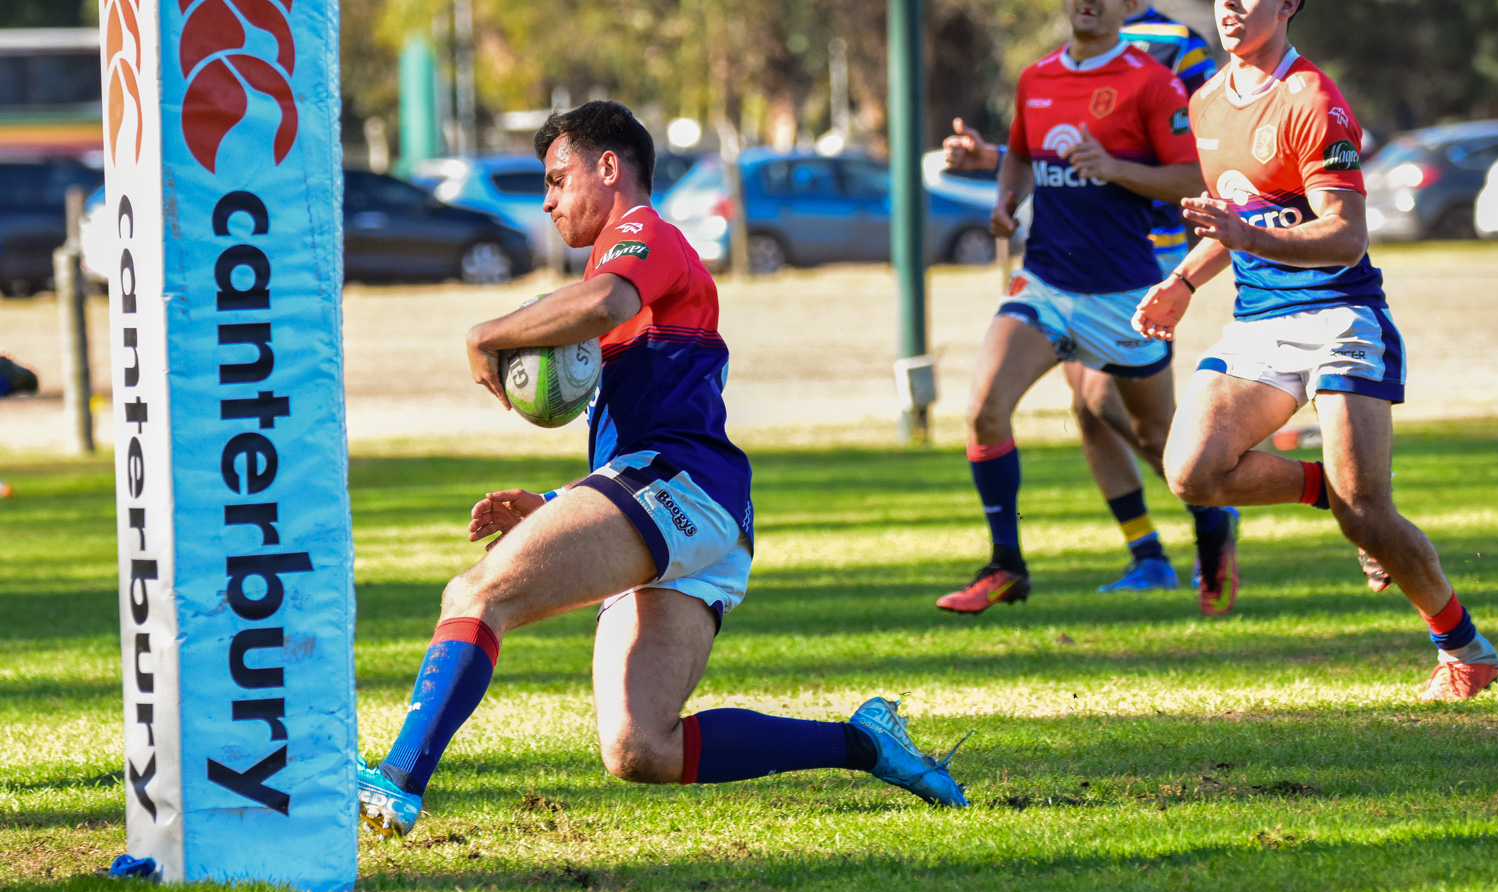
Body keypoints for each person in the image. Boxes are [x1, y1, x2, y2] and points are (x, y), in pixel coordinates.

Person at [356, 102, 968, 837]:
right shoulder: (610, 270)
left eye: (557, 179)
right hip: (698, 509)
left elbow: (608, 304)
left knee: (477, 592)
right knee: (641, 746)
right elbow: (654, 405)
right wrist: (556, 501)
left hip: (679, 483)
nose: (546, 200)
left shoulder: (640, 232)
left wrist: (483, 332)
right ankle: (864, 741)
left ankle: (395, 779)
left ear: (608, 168)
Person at [1132, 0, 1498, 701]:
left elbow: (1345, 234)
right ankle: (1324, 488)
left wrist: (1251, 241)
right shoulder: (1207, 101)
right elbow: (1237, 219)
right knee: (1192, 472)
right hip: (1258, 322)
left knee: (1368, 512)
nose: (1231, 8)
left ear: (1288, 5)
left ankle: (1464, 648)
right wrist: (1182, 281)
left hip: (1341, 315)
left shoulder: (1313, 100)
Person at [936, 0, 1240, 617]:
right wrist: (1005, 199)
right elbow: (1024, 153)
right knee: (983, 411)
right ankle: (1007, 566)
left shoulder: (1154, 78)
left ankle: (1212, 524)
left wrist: (1117, 169)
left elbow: (1192, 178)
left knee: (1158, 436)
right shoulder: (1037, 76)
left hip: (1124, 294)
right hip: (1045, 281)